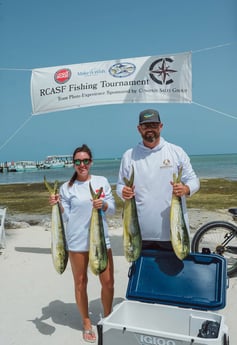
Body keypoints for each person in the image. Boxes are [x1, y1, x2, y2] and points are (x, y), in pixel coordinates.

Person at [49, 144, 115, 343]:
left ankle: (108, 316)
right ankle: (86, 322)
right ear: (73, 164)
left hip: (101, 240)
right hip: (76, 242)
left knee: (108, 282)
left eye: (85, 160)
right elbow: (67, 216)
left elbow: (111, 209)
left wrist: (102, 204)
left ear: (91, 162)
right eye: (77, 161)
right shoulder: (66, 187)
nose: (82, 164)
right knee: (80, 283)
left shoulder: (101, 181)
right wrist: (57, 204)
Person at [116, 109, 200, 251]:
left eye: (154, 125)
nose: (150, 129)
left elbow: (194, 180)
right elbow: (119, 186)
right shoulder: (129, 155)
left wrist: (186, 189)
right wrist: (123, 192)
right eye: (146, 126)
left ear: (161, 126)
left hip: (174, 234)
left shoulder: (176, 152)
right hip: (138, 234)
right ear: (139, 129)